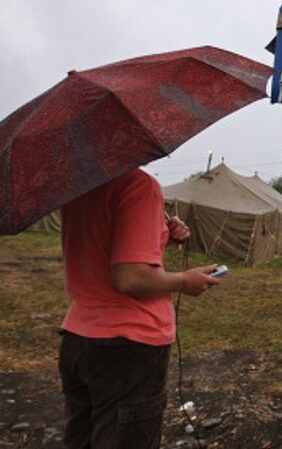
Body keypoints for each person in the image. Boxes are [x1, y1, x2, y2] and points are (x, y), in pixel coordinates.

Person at [58, 168, 220, 448]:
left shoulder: (78, 187)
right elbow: (131, 278)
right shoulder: (137, 185)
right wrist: (185, 280)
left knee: (81, 439)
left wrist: (159, 235)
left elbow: (102, 243)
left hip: (77, 338)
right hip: (127, 347)